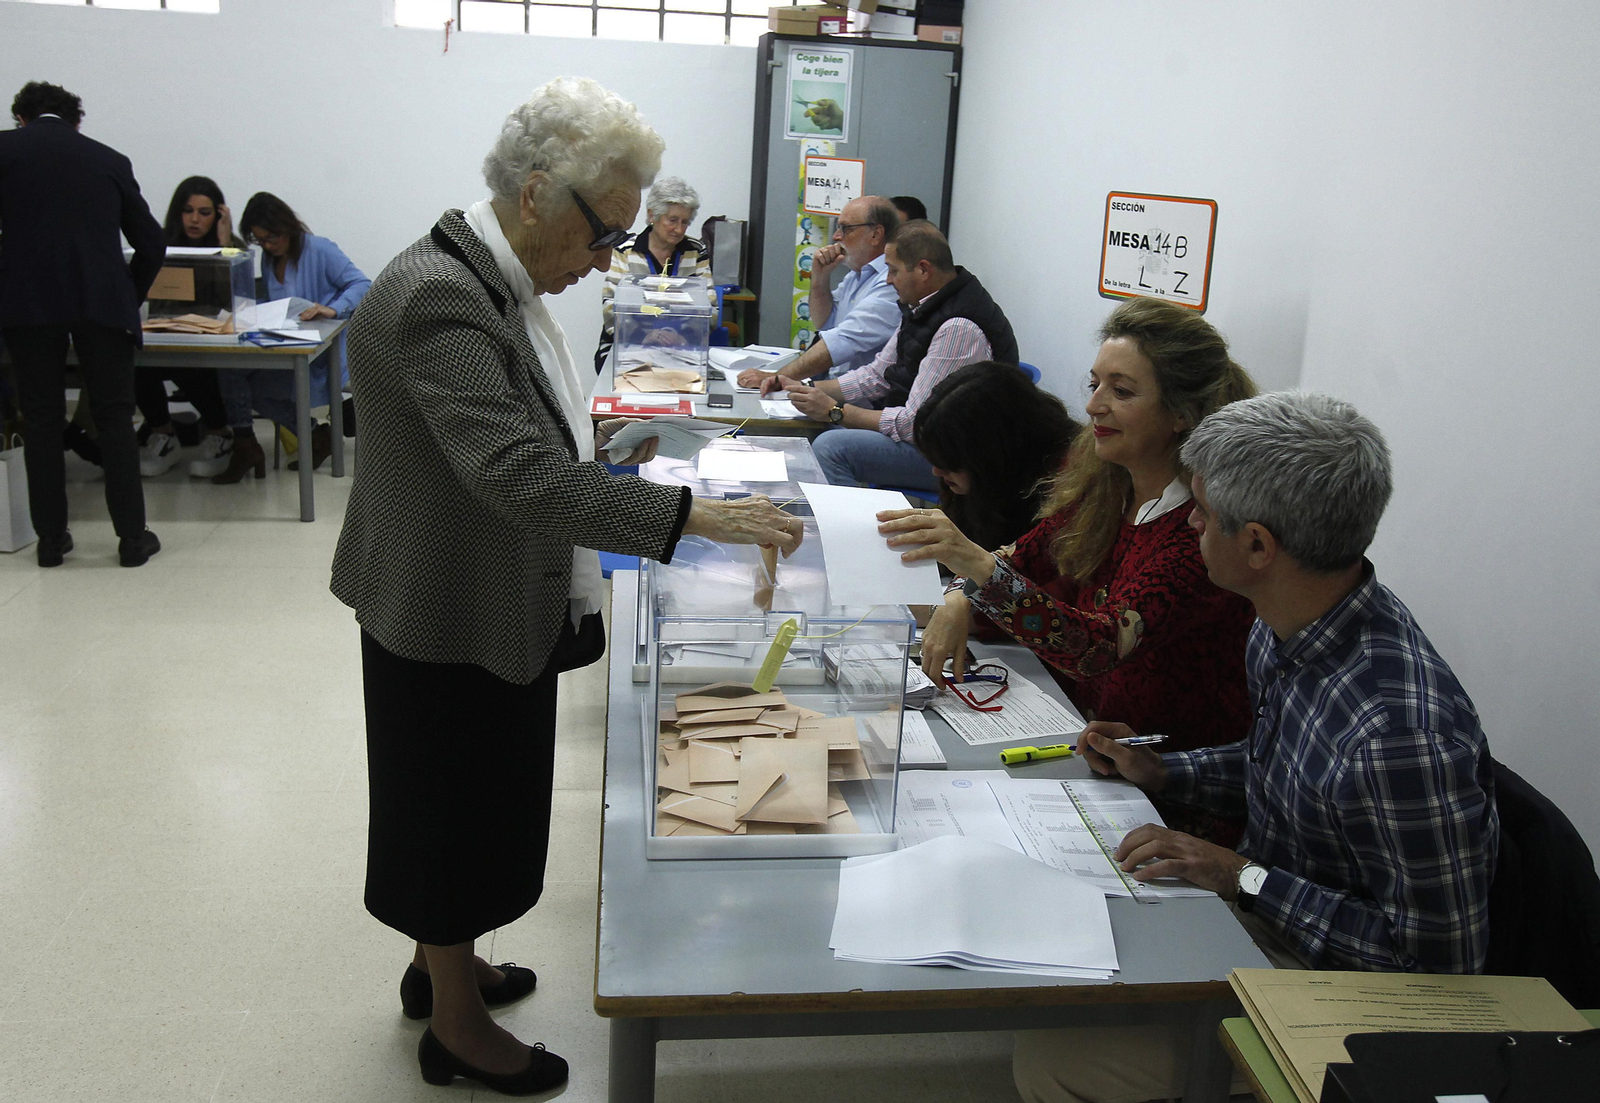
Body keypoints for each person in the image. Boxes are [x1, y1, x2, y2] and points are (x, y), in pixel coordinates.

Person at [328, 77, 804, 1096]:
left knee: (468, 796)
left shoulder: (484, 276)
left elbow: (521, 429)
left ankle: (440, 966)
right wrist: (694, 516)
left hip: (471, 579)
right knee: (447, 806)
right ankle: (455, 1028)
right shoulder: (442, 296)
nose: (603, 259)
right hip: (443, 597)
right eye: (603, 234)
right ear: (537, 191)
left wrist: (608, 450)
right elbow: (517, 475)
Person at [1012, 391, 1501, 1103]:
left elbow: (1436, 972)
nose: (1191, 523)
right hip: (1263, 915)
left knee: (1060, 1060)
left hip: (1348, 998)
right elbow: (1279, 764)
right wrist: (1164, 770)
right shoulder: (1292, 621)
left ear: (1258, 546)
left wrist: (1242, 876)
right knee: (1069, 947)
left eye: (1204, 513)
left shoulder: (1398, 738)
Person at [878, 297, 1255, 753]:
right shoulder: (1107, 489)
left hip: (1167, 768)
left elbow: (1097, 648)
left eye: (1121, 392)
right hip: (1090, 738)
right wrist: (960, 595)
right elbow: (1016, 558)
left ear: (1182, 413)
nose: (1093, 405)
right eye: (1095, 385)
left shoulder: (1200, 527)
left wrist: (972, 566)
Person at [0, 81, 164, 567]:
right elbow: (151, 243)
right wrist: (127, 295)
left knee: (41, 417)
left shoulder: (5, 150)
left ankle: (51, 541)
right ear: (76, 121)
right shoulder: (108, 159)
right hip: (102, 301)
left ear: (21, 118)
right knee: (115, 417)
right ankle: (132, 539)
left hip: (28, 303)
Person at [791, 220, 1019, 494]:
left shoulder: (958, 328)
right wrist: (801, 388)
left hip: (958, 459)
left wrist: (835, 411)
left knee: (831, 448)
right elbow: (876, 376)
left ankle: (852, 521)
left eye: (893, 270)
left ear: (923, 269)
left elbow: (915, 424)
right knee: (822, 429)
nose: (888, 280)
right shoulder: (925, 306)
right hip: (930, 440)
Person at [211, 192, 369, 482]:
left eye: (272, 238)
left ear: (288, 226)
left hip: (325, 354)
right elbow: (279, 303)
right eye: (261, 241)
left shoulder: (320, 249)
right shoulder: (270, 259)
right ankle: (310, 435)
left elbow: (362, 284)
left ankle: (288, 440)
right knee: (233, 374)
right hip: (290, 348)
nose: (268, 246)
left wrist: (333, 309)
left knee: (245, 384)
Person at [136, 175, 247, 479]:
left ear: (219, 214)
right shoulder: (162, 244)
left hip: (212, 340)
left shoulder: (231, 248)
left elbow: (233, 300)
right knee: (134, 361)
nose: (195, 219)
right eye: (188, 211)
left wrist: (224, 244)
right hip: (164, 335)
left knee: (190, 365)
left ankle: (220, 435)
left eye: (204, 212)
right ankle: (163, 435)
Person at [734, 195, 901, 389]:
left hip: (860, 399)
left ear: (876, 234)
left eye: (845, 228)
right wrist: (820, 278)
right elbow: (824, 323)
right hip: (834, 387)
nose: (836, 236)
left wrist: (776, 378)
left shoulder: (890, 282)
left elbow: (842, 341)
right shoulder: (856, 276)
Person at [912, 361, 1080, 550]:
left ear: (992, 455)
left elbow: (1006, 564)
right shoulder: (985, 480)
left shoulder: (1063, 500)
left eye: (952, 464)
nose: (936, 471)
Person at [593, 174, 711, 371]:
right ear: (652, 216)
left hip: (681, 347)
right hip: (630, 344)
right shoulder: (625, 250)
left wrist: (682, 338)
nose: (679, 229)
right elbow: (610, 305)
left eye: (685, 222)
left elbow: (710, 308)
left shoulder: (696, 252)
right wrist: (644, 337)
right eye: (672, 220)